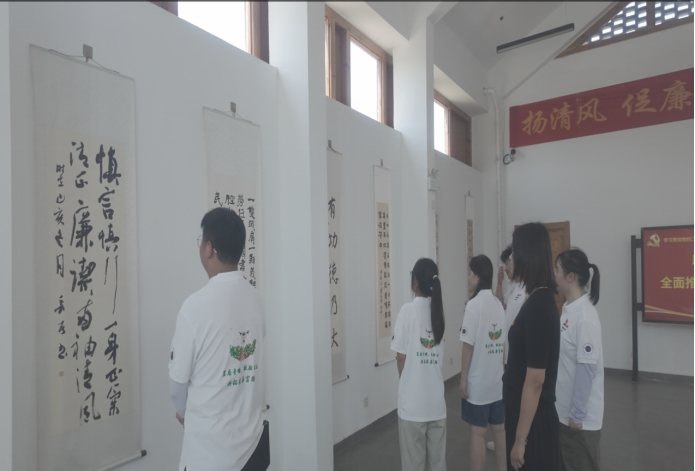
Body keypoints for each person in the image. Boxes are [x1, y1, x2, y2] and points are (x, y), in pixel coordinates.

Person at [169, 207, 268, 471]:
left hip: (209, 455)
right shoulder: (255, 299)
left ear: (209, 248)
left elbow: (177, 387)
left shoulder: (194, 308)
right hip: (252, 448)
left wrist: (184, 413)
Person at [503, 222, 560, 471]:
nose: (511, 258)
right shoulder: (535, 297)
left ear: (528, 254)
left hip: (532, 423)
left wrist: (520, 440)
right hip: (523, 413)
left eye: (514, 251)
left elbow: (536, 380)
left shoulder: (539, 306)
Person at [391, 258, 447, 471]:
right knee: (438, 465)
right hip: (436, 404)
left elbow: (400, 357)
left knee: (413, 465)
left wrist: (406, 380)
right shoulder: (438, 313)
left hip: (413, 405)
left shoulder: (407, 311)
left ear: (415, 281)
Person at [554, 249, 604, 471]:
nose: (554, 275)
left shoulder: (584, 317)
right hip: (564, 413)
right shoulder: (569, 310)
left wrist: (577, 414)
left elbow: (587, 368)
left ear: (570, 276)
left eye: (557, 270)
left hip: (579, 423)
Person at [459, 255, 507, 471]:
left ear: (478, 276)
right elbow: (501, 345)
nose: (469, 277)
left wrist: (463, 379)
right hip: (497, 383)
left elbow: (467, 346)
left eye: (470, 273)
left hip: (478, 385)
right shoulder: (498, 304)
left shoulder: (473, 305)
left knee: (478, 433)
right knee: (500, 431)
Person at [488, 246, 526, 452]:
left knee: (519, 400)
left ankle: (519, 441)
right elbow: (499, 304)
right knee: (509, 400)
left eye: (508, 262)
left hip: (520, 357)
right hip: (508, 355)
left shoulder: (527, 289)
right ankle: (507, 440)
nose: (506, 267)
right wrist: (499, 283)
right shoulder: (514, 288)